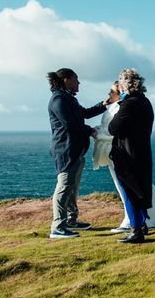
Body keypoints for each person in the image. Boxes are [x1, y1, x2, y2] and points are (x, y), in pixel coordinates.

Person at [92, 81, 155, 232]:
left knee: (129, 188)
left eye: (112, 91)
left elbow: (114, 130)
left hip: (121, 151)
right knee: (126, 187)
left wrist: (96, 134)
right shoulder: (120, 104)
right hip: (115, 150)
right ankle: (139, 220)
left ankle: (135, 222)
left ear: (121, 91)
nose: (109, 94)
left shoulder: (124, 106)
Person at [47, 68, 109, 239]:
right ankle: (58, 227)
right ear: (66, 80)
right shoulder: (59, 99)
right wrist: (91, 131)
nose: (79, 83)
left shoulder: (67, 98)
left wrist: (104, 104)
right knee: (64, 187)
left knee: (72, 188)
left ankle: (71, 220)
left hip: (75, 150)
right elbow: (69, 124)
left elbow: (84, 113)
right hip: (65, 150)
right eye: (76, 79)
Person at [108, 69, 155, 244]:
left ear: (124, 85)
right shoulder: (145, 102)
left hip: (127, 154)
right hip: (142, 152)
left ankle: (136, 230)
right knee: (139, 190)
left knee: (130, 192)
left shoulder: (129, 104)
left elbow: (113, 128)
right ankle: (142, 224)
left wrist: (119, 104)